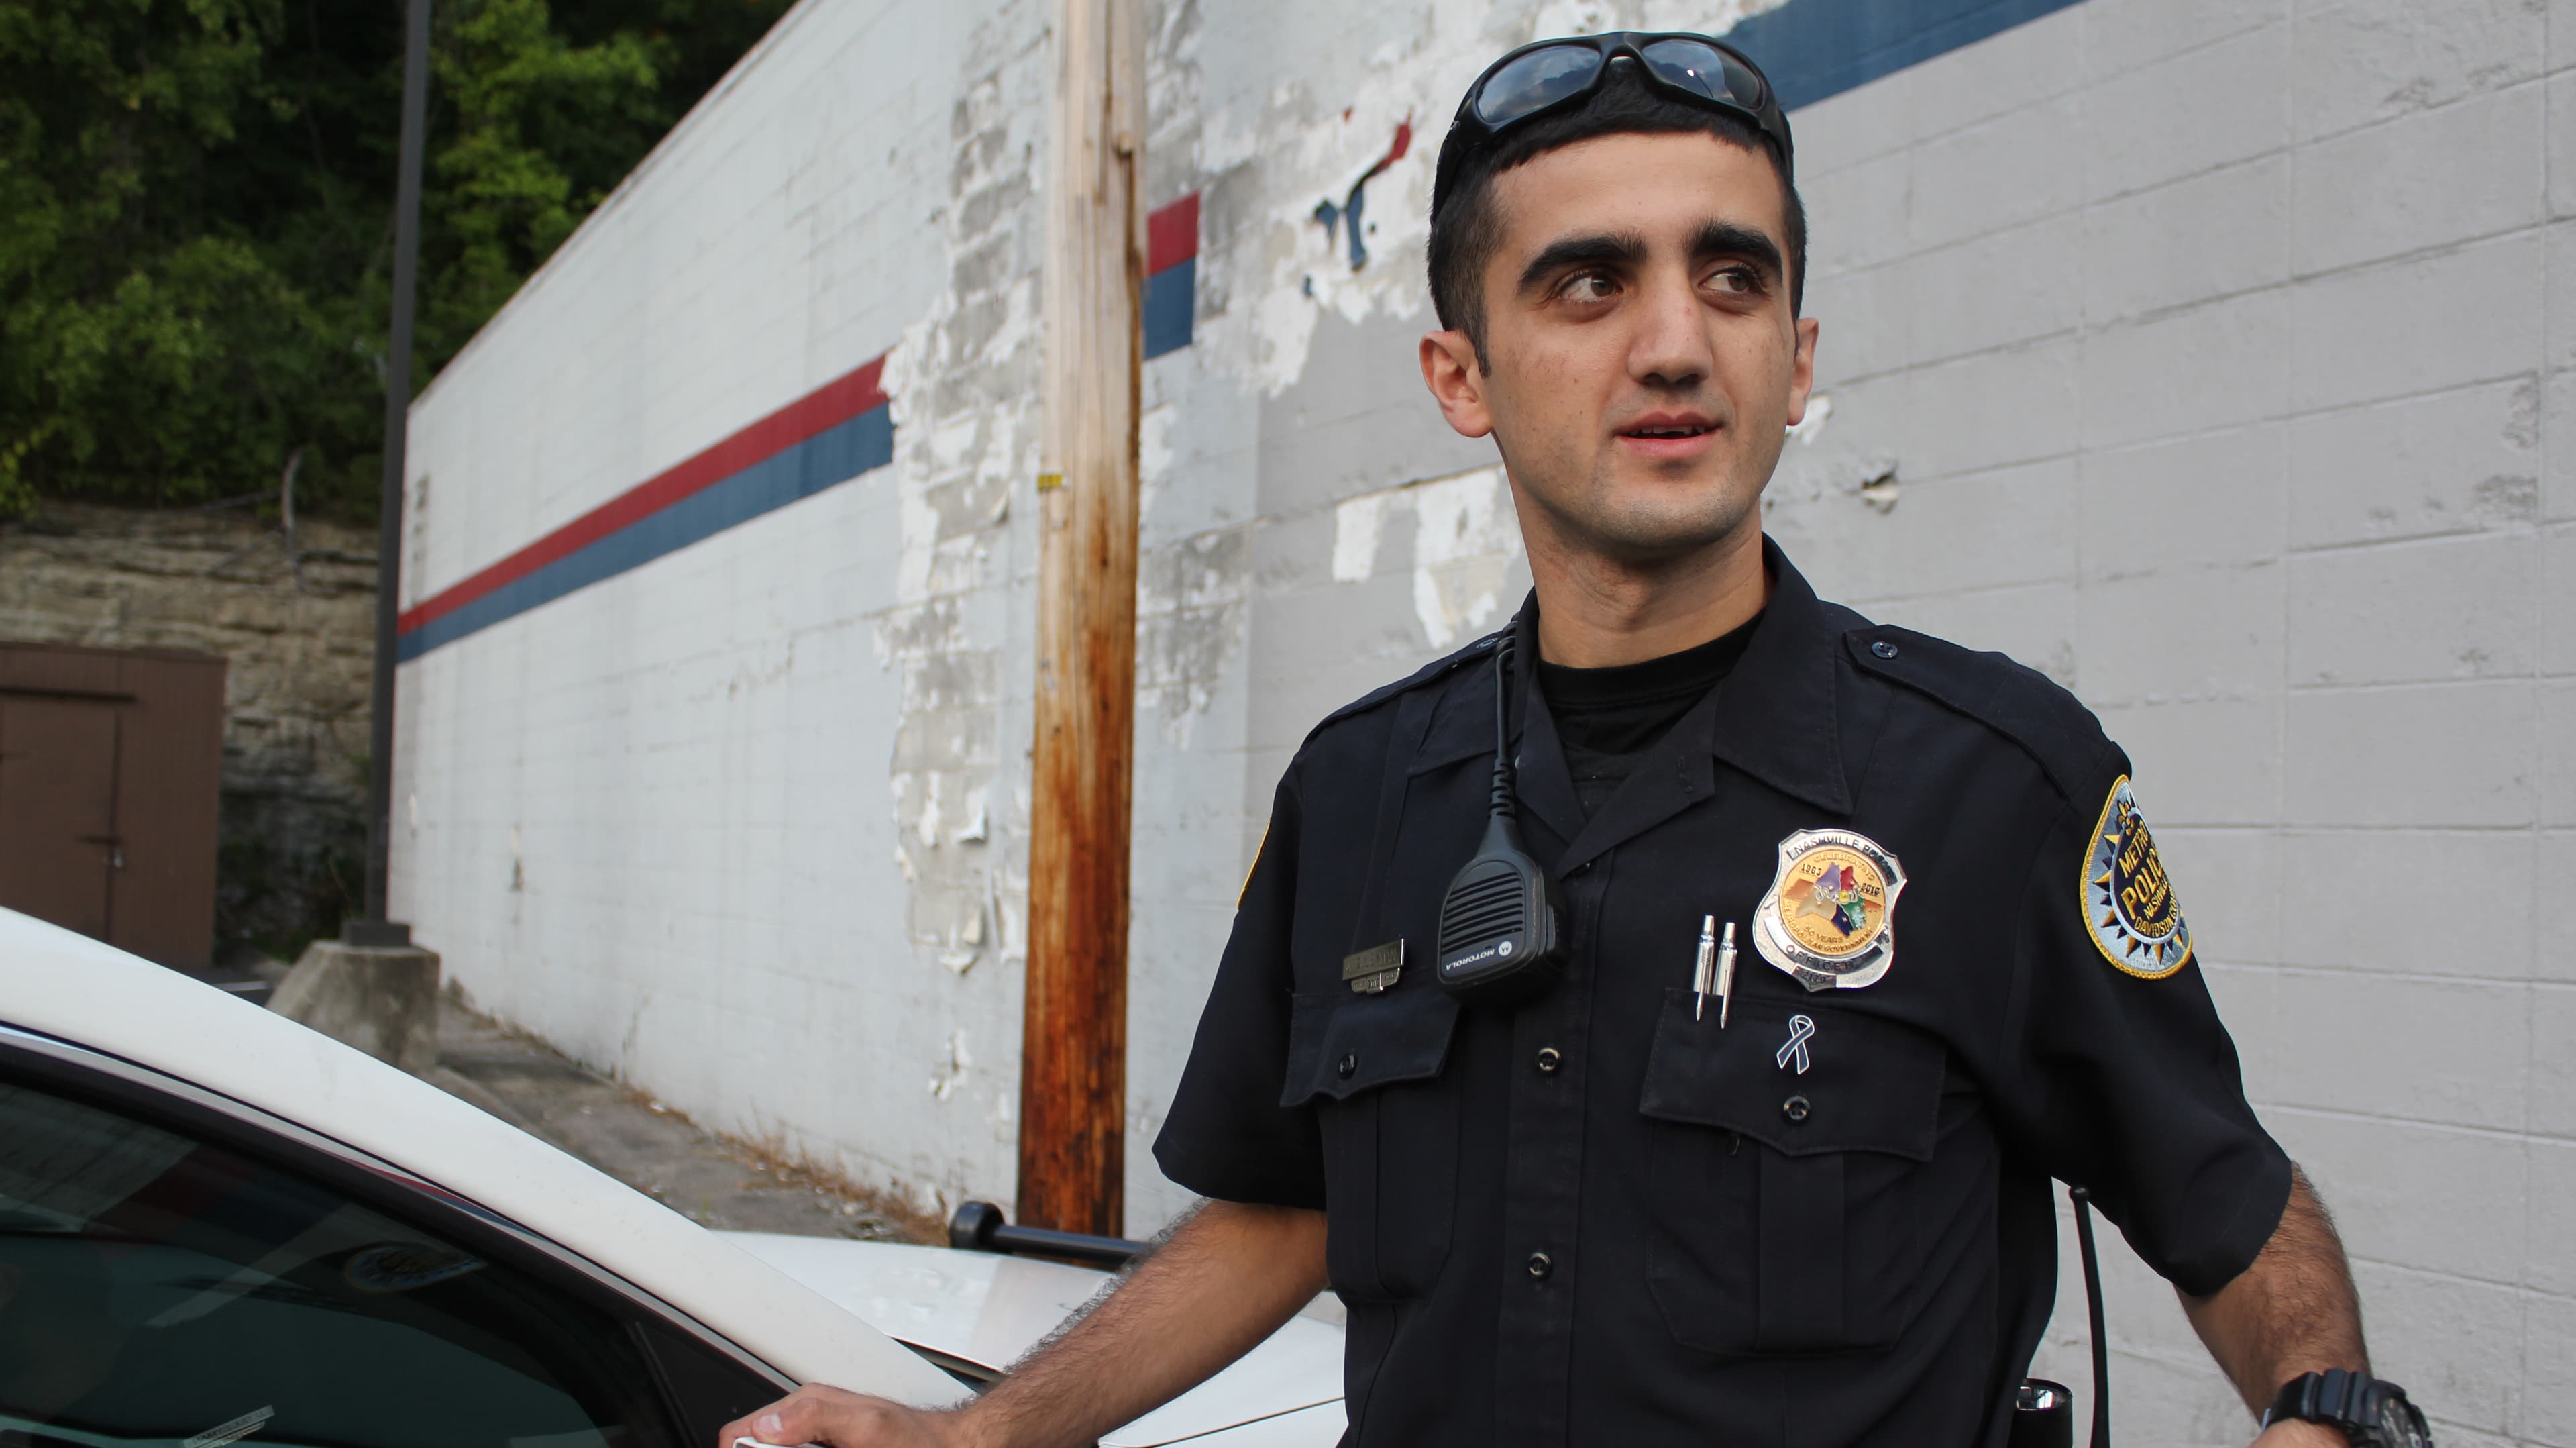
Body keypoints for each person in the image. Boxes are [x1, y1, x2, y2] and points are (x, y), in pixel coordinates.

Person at [724, 32, 2427, 1448]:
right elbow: (1288, 1209)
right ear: (1461, 375)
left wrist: (2326, 1406)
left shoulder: (1994, 783)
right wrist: (971, 1437)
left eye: (1732, 276)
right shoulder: (1361, 793)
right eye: (1589, 283)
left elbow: (2225, 1199)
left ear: (1797, 354)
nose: (1675, 340)